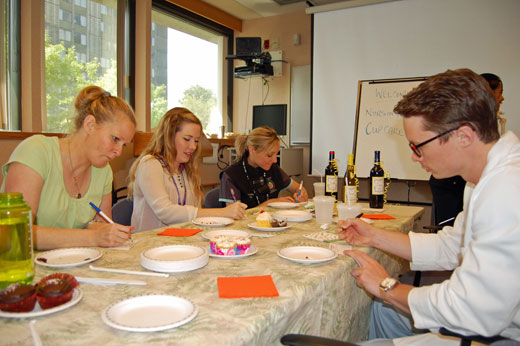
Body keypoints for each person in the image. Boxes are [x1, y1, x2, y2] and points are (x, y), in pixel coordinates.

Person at [338, 69, 520, 345]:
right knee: (382, 312)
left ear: (464, 136)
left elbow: (471, 310)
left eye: (418, 146)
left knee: (381, 309)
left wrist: (388, 287)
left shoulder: (506, 189)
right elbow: (451, 247)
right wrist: (374, 235)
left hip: (499, 333)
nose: (414, 157)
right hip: (489, 319)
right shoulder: (482, 179)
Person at [1, 86, 136, 250]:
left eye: (124, 144)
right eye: (115, 139)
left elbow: (102, 226)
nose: (119, 151)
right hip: (20, 268)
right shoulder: (36, 151)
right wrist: (93, 236)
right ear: (90, 124)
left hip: (70, 266)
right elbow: (16, 233)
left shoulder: (104, 171)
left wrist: (106, 232)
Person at [128, 107, 247, 232]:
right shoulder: (150, 164)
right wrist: (221, 213)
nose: (193, 146)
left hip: (180, 241)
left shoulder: (186, 169)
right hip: (150, 244)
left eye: (196, 141)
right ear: (168, 136)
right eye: (186, 139)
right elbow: (165, 212)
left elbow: (193, 215)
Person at [219, 126, 308, 208]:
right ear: (252, 150)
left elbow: (298, 188)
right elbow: (235, 215)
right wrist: (271, 203)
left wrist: (301, 194)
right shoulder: (231, 176)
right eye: (269, 155)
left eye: (276, 154)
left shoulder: (273, 169)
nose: (275, 160)